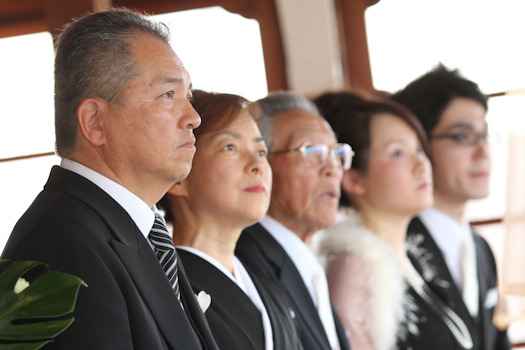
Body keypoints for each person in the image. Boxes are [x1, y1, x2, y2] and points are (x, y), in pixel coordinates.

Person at [1, 8, 218, 349]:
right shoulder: (59, 243)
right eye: (167, 95)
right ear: (95, 122)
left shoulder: (137, 229)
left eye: (187, 96)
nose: (193, 117)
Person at [314, 92, 477, 349]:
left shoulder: (412, 259)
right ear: (353, 178)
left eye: (420, 149)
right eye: (399, 153)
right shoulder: (355, 269)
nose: (421, 163)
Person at [157, 90, 303, 350]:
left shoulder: (268, 286)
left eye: (261, 151)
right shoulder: (164, 290)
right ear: (179, 177)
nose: (257, 165)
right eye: (230, 147)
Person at [391, 64, 511, 350]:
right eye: (463, 136)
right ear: (419, 144)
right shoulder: (394, 249)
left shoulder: (481, 249)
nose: (483, 152)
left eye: (484, 135)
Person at [235, 91, 352, 350]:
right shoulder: (245, 260)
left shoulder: (305, 255)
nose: (332, 168)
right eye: (311, 151)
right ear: (261, 163)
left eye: (337, 153)